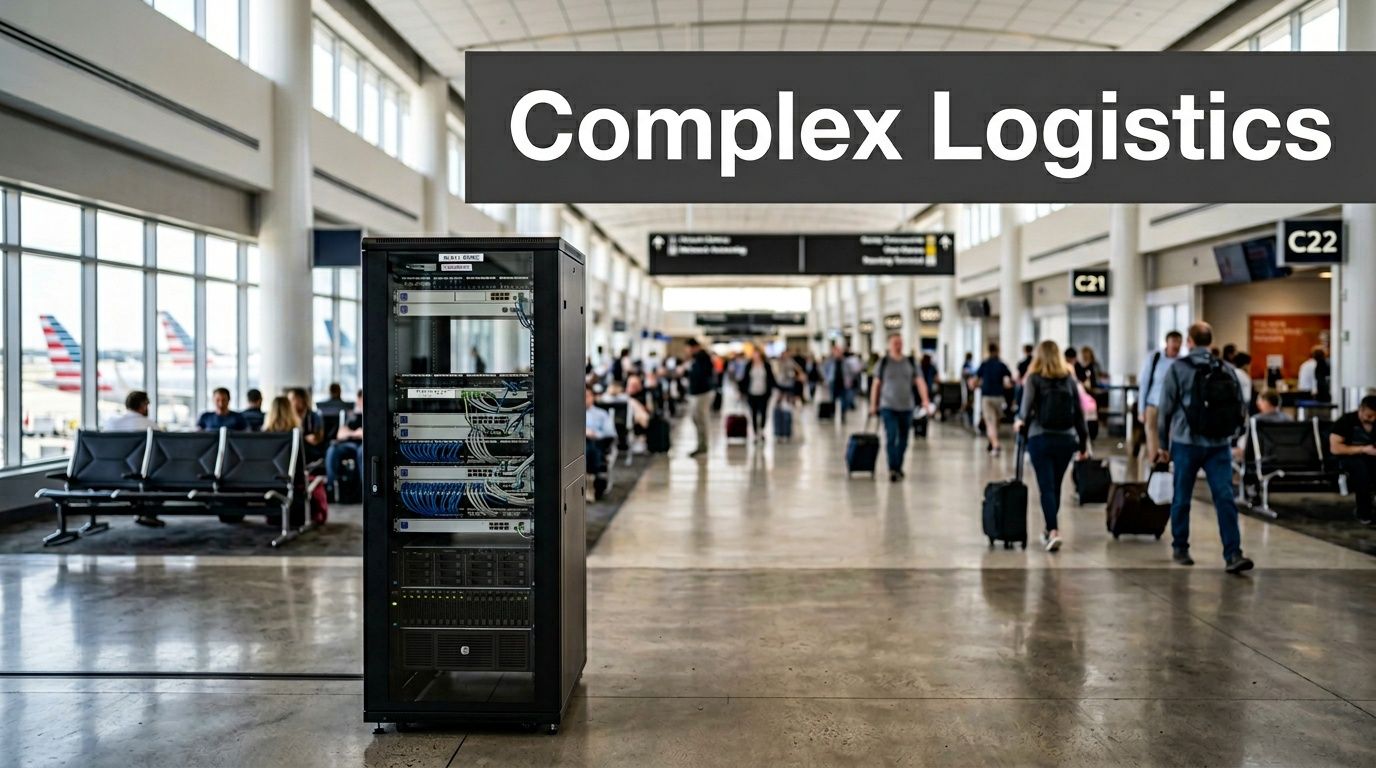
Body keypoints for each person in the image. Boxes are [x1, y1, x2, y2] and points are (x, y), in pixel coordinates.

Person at [1155, 322, 1253, 574]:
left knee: (1182, 495)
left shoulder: (1178, 368)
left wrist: (1163, 446)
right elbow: (1240, 407)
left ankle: (1180, 547)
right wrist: (1234, 437)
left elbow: (1164, 408)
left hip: (1186, 442)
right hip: (1218, 444)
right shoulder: (1225, 368)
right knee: (1224, 497)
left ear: (1189, 341)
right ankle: (1233, 553)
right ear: (1210, 341)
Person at [1014, 340, 1089, 552]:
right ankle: (1049, 529)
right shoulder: (1069, 380)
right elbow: (1079, 414)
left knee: (1046, 486)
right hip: (1066, 440)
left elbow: (1025, 409)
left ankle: (1054, 530)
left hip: (1040, 438)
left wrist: (1019, 422)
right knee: (1055, 485)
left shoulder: (1034, 379)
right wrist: (1083, 444)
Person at [869, 333, 934, 482]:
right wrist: (873, 404)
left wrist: (925, 400)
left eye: (900, 343)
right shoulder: (883, 363)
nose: (898, 346)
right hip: (888, 406)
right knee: (891, 436)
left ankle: (898, 465)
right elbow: (876, 385)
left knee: (904, 438)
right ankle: (893, 468)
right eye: (895, 343)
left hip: (907, 407)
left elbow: (920, 382)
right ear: (889, 345)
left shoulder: (910, 362)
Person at [105, 390, 161, 527]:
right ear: (143, 405)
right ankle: (147, 513)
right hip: (142, 475)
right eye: (147, 404)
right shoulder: (150, 426)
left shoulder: (111, 423)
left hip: (110, 473)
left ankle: (141, 511)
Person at [1137, 330, 1183, 463]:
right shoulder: (1155, 359)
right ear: (1167, 343)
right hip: (1153, 404)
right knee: (1152, 435)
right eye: (1174, 341)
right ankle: (1155, 462)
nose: (1176, 345)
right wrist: (1141, 409)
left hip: (1172, 406)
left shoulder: (1181, 362)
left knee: (1170, 436)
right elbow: (1145, 383)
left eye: (1179, 342)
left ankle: (1168, 461)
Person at [1329, 395, 1376, 525]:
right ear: (1360, 410)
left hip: (1370, 458)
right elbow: (1335, 448)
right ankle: (1364, 512)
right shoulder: (1346, 421)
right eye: (1369, 416)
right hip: (1347, 458)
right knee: (1361, 469)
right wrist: (1363, 449)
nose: (1372, 419)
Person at [970, 343, 1014, 455]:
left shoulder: (984, 364)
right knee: (996, 422)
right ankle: (993, 441)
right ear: (998, 351)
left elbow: (975, 380)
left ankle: (995, 445)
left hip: (987, 397)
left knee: (990, 422)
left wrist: (974, 385)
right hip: (999, 397)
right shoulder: (1002, 365)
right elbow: (1009, 380)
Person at [736, 347, 778, 443]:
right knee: (753, 413)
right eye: (754, 354)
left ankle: (762, 431)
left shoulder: (766, 365)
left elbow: (771, 379)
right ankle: (755, 433)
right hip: (751, 393)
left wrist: (778, 388)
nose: (756, 356)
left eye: (757, 354)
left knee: (763, 413)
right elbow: (744, 379)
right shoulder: (749, 365)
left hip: (764, 393)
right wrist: (740, 391)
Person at [1234, 388, 1289, 462]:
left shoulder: (1256, 420)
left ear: (1266, 402)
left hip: (1261, 460)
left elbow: (1248, 450)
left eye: (1259, 400)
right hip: (1284, 459)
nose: (1257, 403)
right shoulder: (1287, 419)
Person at [327, 390, 363, 499]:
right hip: (348, 444)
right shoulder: (350, 414)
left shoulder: (372, 414)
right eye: (359, 399)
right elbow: (340, 434)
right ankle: (331, 487)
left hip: (362, 444)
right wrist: (356, 433)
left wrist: (351, 433)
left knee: (363, 451)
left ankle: (362, 487)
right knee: (332, 449)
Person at [683, 338, 715, 458]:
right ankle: (701, 445)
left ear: (693, 347)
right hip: (697, 393)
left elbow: (701, 374)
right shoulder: (696, 358)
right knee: (696, 419)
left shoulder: (702, 357)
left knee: (701, 419)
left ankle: (703, 446)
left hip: (702, 393)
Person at [585, 387, 617, 497]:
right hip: (577, 443)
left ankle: (590, 480)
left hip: (597, 442)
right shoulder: (573, 414)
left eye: (587, 396)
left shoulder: (601, 414)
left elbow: (610, 433)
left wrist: (594, 434)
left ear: (592, 397)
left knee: (590, 446)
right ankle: (588, 481)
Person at [287, 387, 325, 462]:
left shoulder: (314, 416)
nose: (289, 402)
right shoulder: (288, 417)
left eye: (292, 399)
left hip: (311, 450)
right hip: (294, 449)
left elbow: (316, 438)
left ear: (301, 399)